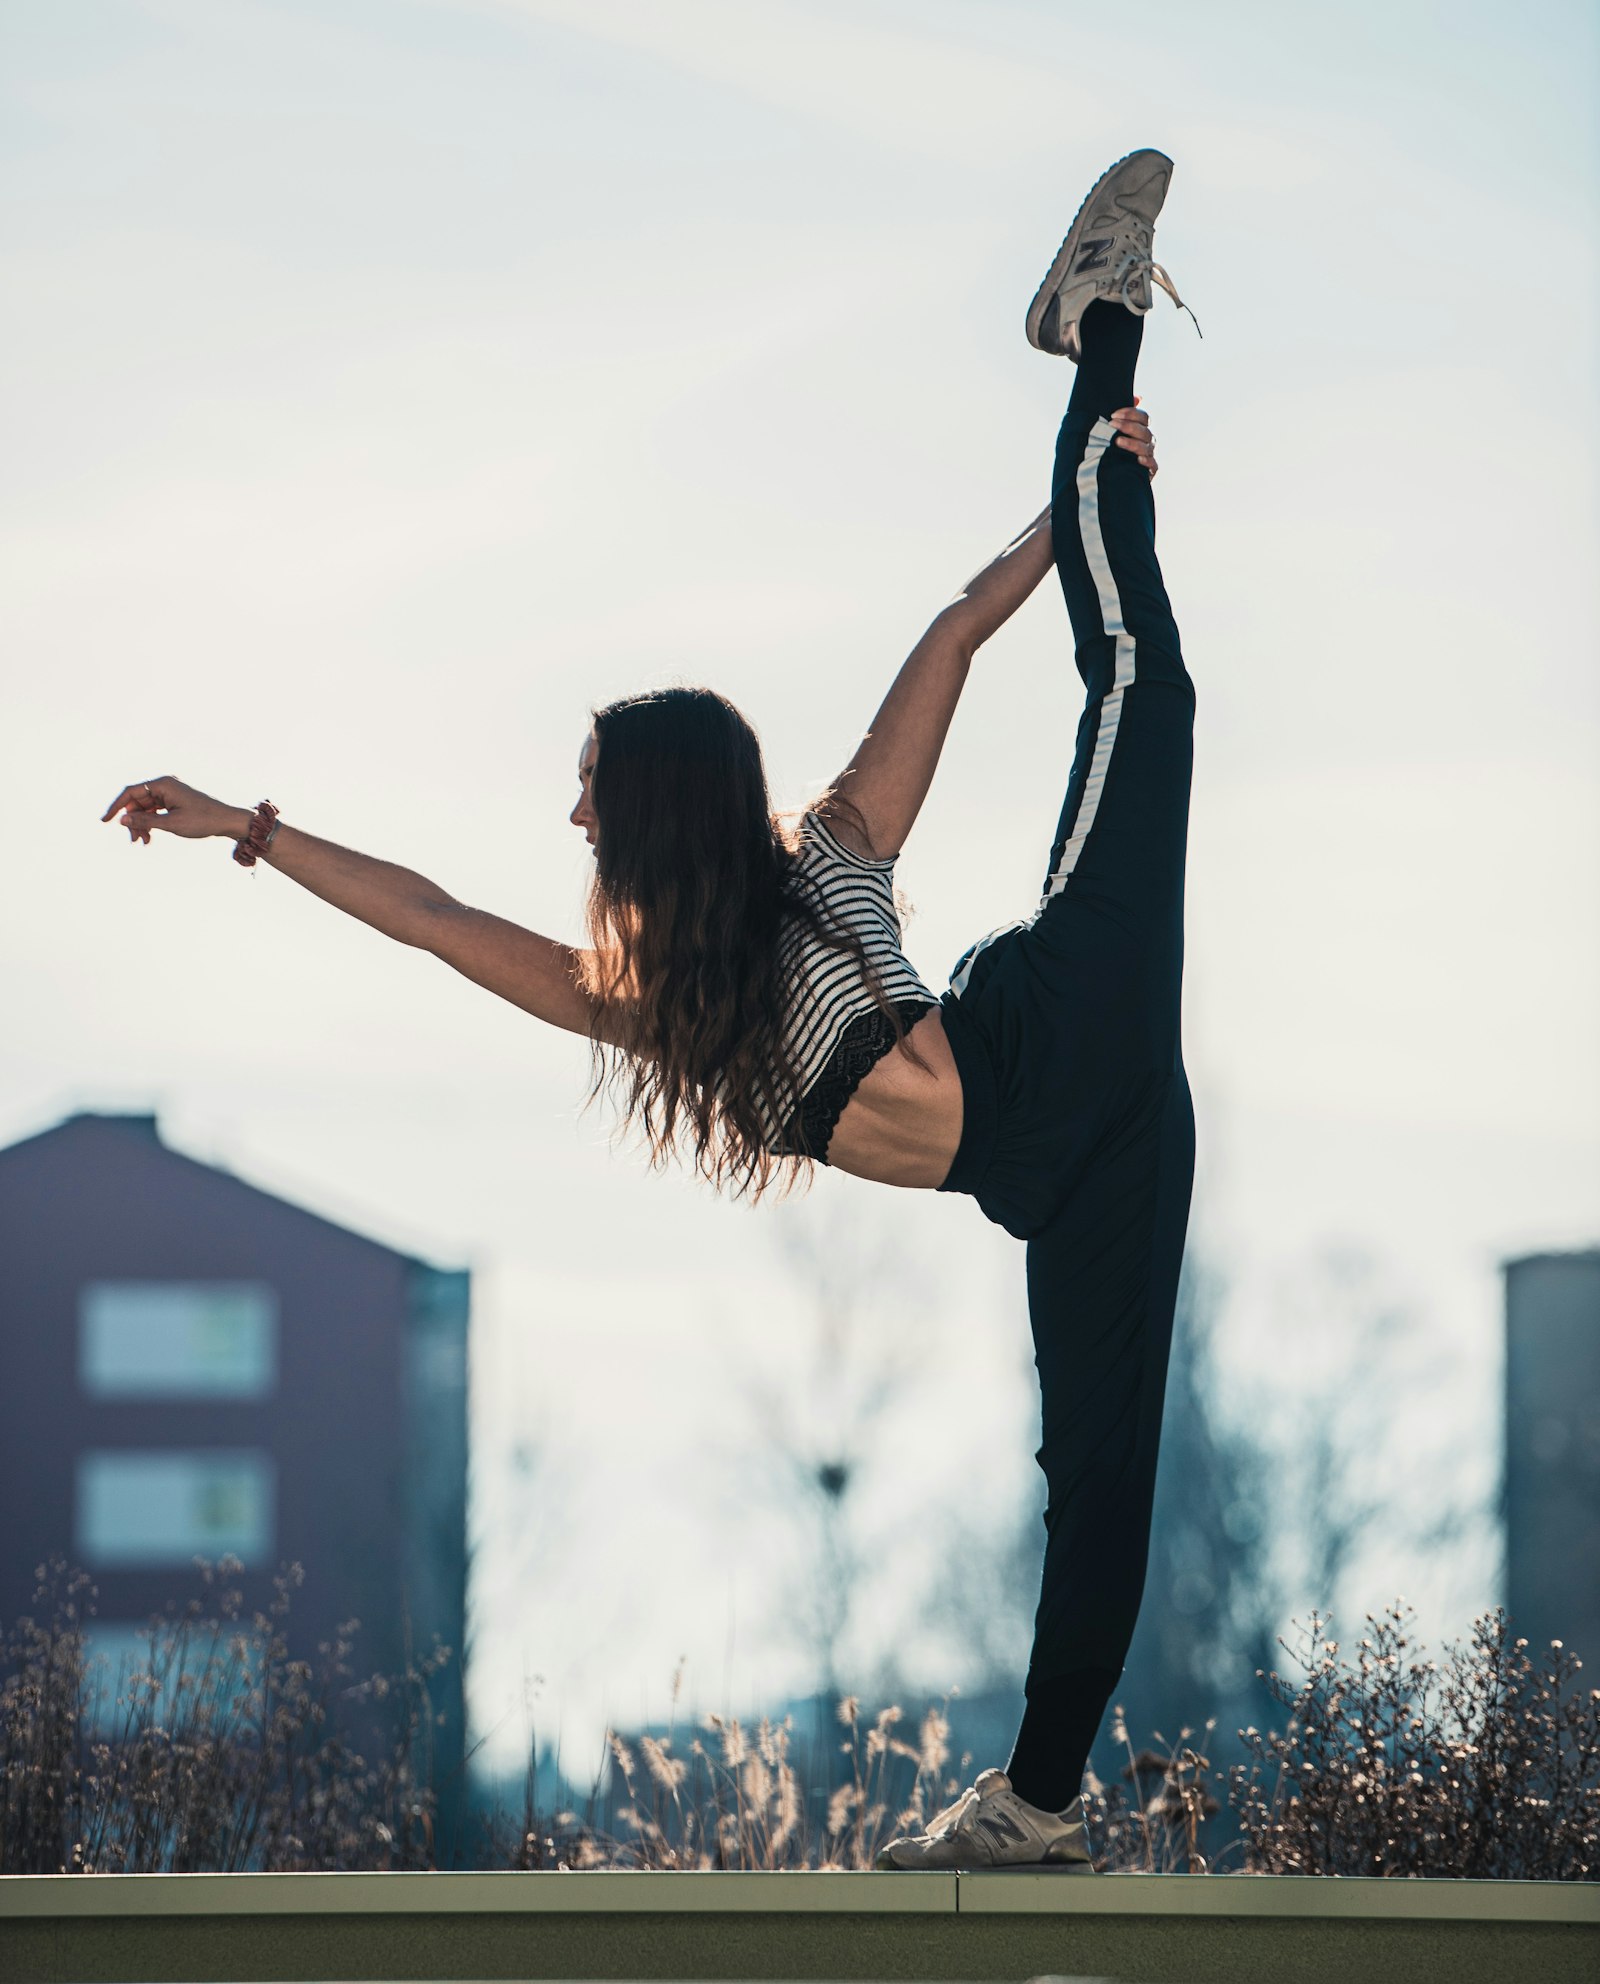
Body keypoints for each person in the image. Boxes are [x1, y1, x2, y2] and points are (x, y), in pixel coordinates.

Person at [103, 149, 1196, 1873]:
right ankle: (1036, 1810)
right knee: (1106, 1489)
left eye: (592, 790)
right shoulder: (661, 1014)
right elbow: (438, 921)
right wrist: (254, 829)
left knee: (1140, 673)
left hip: (1070, 1017)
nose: (575, 822)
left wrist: (1069, 511)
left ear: (666, 804)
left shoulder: (831, 856)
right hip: (1078, 1176)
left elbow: (956, 633)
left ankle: (1103, 337)